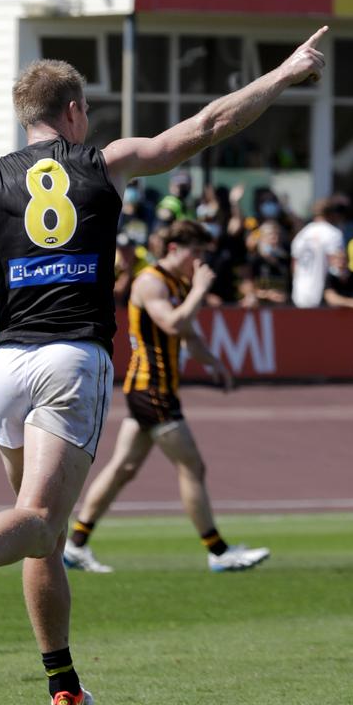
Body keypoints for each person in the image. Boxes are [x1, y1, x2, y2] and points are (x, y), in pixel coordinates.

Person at [0, 26, 328, 705]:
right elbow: (210, 123)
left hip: (5, 365)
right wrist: (284, 73)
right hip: (72, 358)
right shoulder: (106, 162)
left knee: (41, 524)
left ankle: (63, 684)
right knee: (39, 522)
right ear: (73, 111)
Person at [63, 218, 268, 575]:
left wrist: (212, 362)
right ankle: (217, 551)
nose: (201, 261)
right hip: (151, 388)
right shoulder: (151, 281)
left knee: (122, 469)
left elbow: (186, 333)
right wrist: (200, 290)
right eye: (196, 252)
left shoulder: (177, 282)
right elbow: (172, 322)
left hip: (155, 389)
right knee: (192, 465)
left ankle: (75, 544)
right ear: (175, 250)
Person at [291, 197, 345, 308]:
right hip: (322, 297)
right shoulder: (333, 234)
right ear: (332, 214)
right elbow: (337, 267)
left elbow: (294, 266)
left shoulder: (301, 235)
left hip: (299, 295)